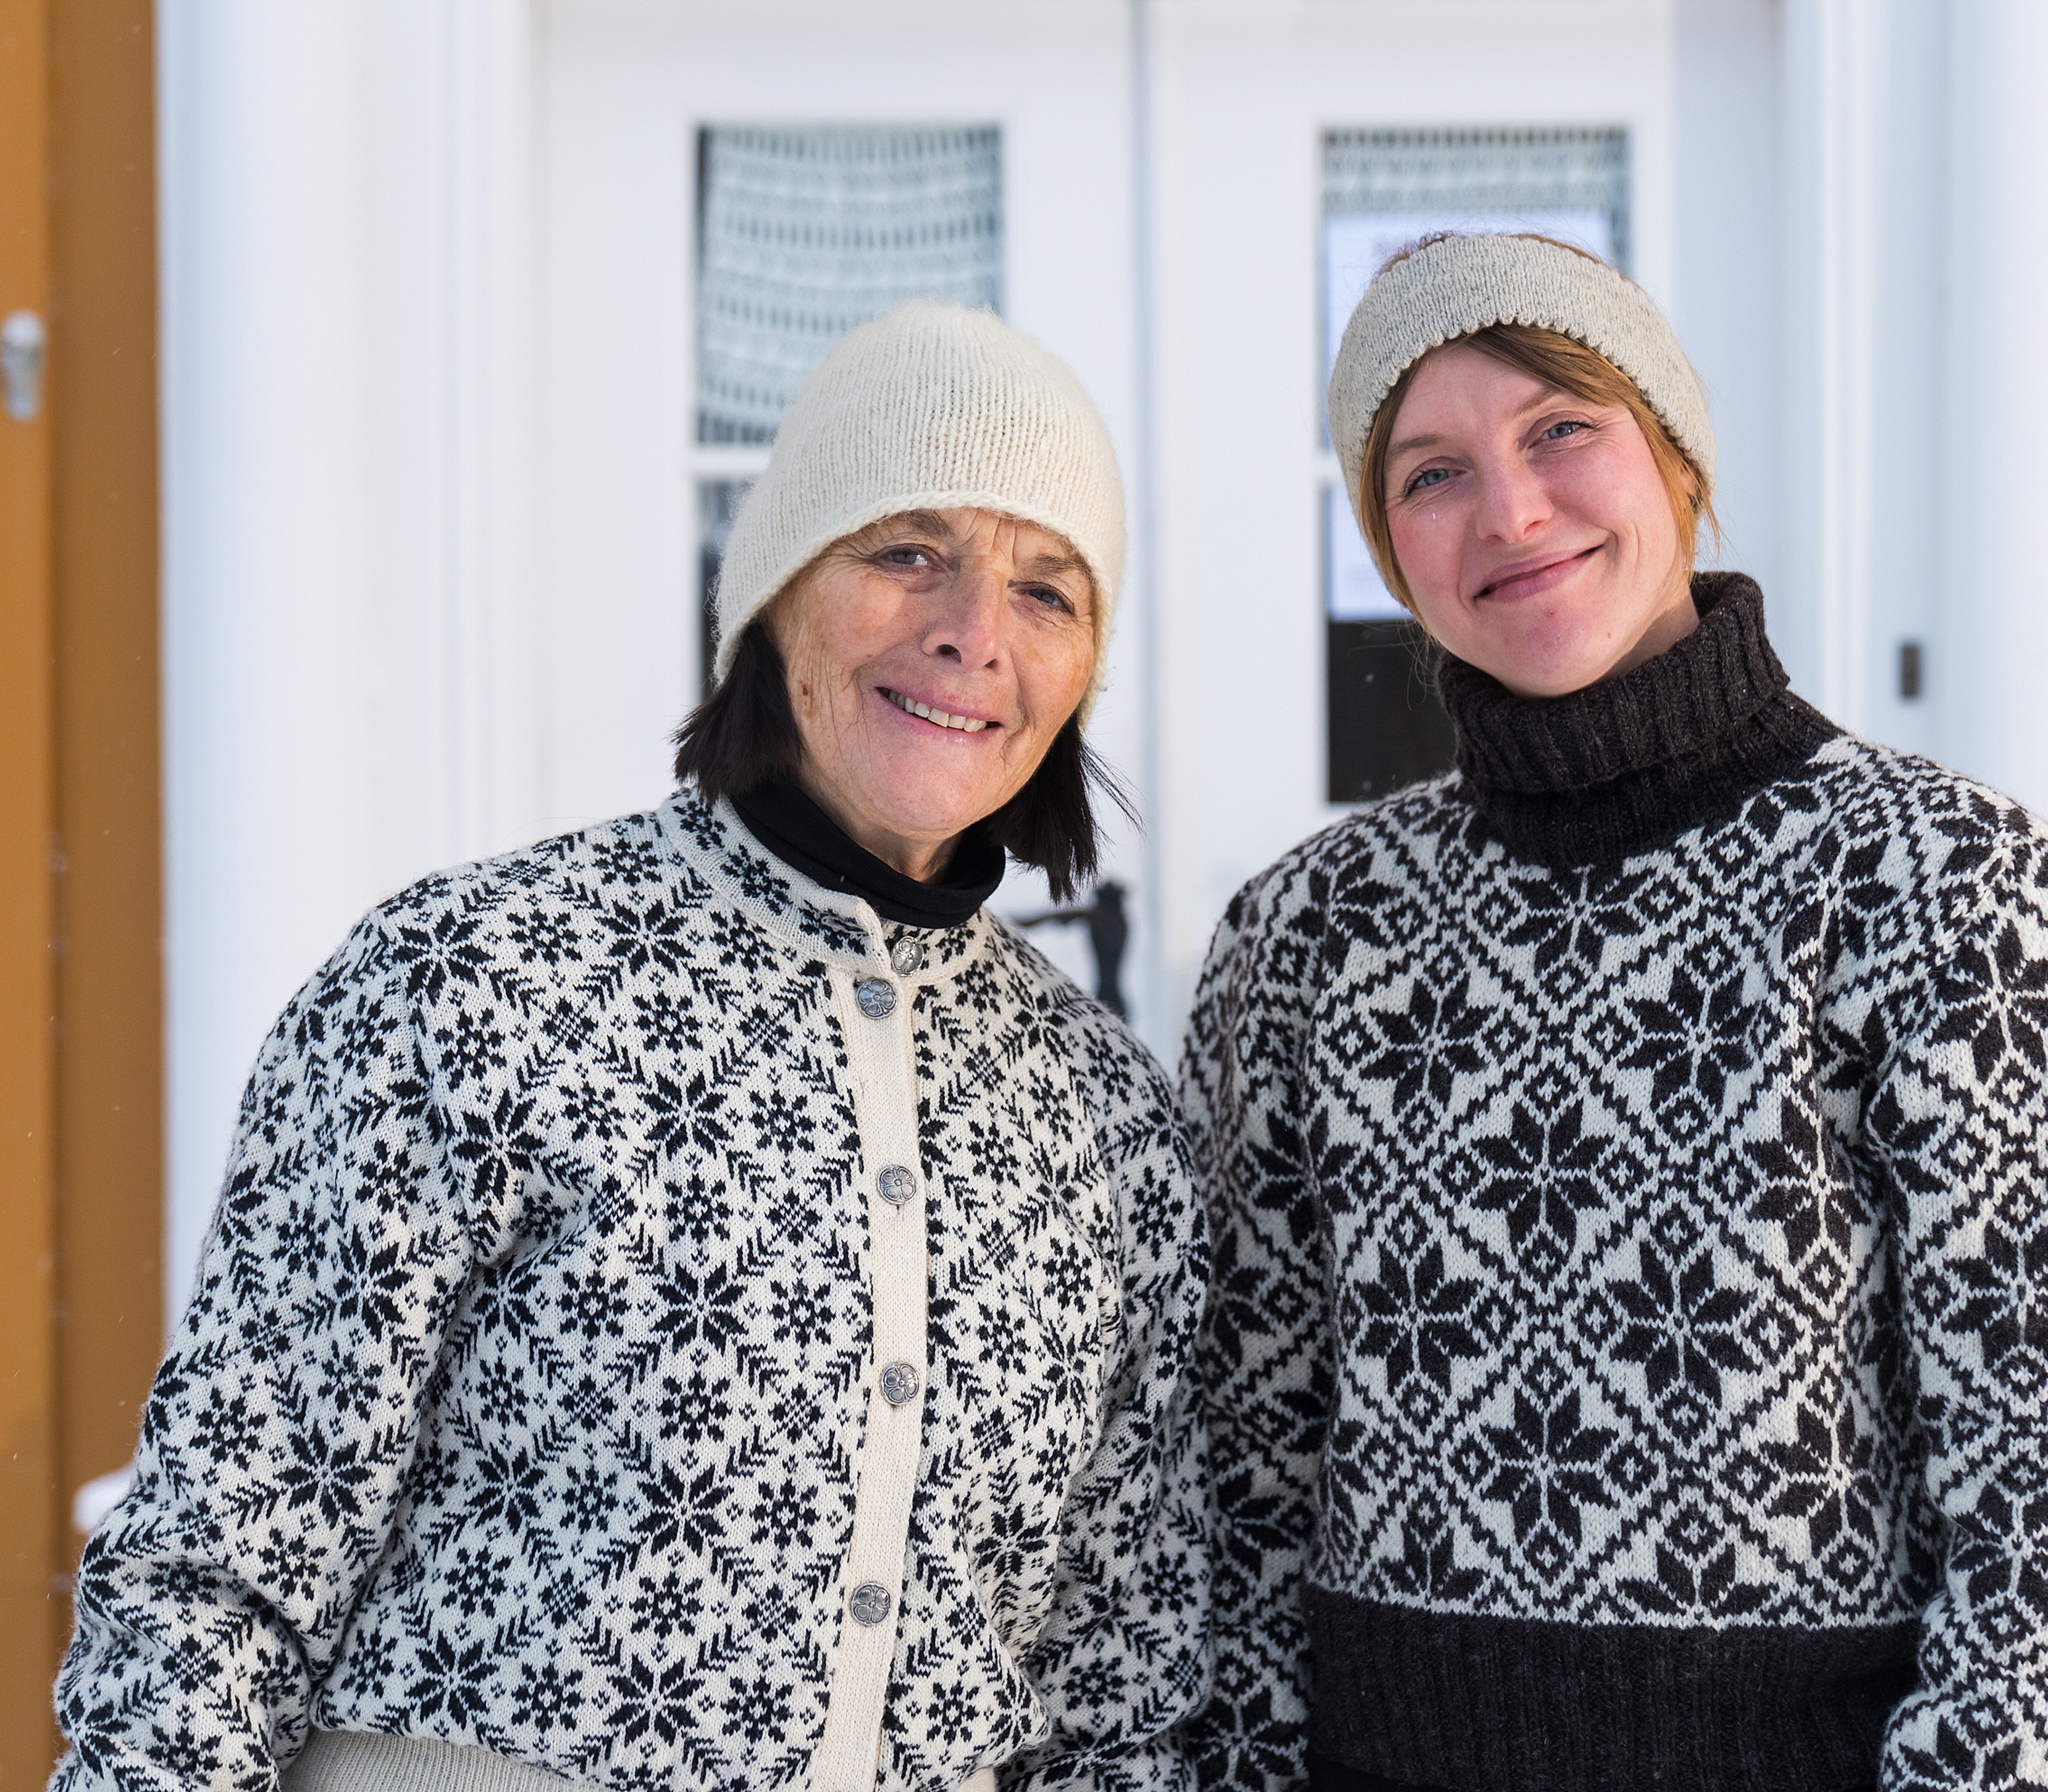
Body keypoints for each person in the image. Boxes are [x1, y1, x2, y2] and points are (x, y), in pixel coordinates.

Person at [52, 303, 1211, 1792]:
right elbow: (220, 1561)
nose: (974, 631)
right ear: (775, 595)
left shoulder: (1105, 1116)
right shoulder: (473, 982)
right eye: (907, 550)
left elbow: (1127, 1684)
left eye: (1047, 590)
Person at [1182, 233, 2048, 1792]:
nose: (1511, 510)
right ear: (1387, 549)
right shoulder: (1307, 933)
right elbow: (1238, 1481)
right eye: (1431, 473)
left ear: (1679, 456)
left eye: (1562, 427)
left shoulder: (1940, 885)